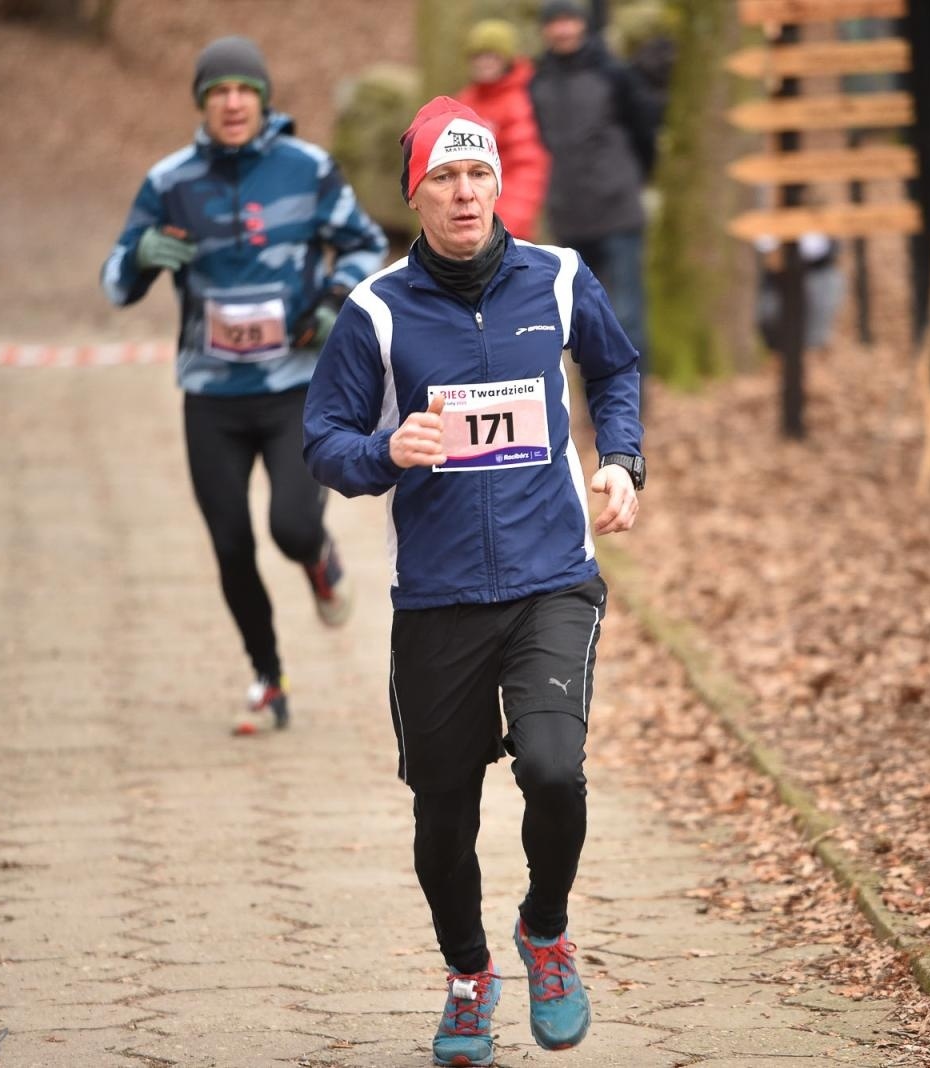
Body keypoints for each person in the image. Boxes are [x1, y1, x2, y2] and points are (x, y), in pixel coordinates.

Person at [302, 97, 645, 1068]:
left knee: (551, 768)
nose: (464, 193)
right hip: (440, 598)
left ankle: (544, 931)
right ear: (414, 193)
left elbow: (616, 371)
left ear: (499, 183)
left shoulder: (562, 279)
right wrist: (385, 448)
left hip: (550, 580)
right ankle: (466, 973)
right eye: (443, 178)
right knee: (442, 811)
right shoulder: (375, 311)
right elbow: (323, 439)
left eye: (478, 174)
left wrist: (620, 460)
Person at [101, 35, 388, 736]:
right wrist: (140, 257)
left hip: (296, 386)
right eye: (217, 92)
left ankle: (318, 557)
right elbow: (116, 281)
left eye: (243, 90)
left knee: (290, 525)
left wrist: (332, 304)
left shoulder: (308, 168)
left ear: (263, 99)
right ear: (202, 103)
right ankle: (268, 679)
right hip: (212, 393)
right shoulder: (171, 181)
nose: (232, 103)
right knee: (231, 544)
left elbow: (365, 243)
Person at [528, 0, 660, 376]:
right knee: (582, 322)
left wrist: (631, 178)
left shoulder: (613, 73)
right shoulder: (538, 82)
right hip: (568, 216)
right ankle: (595, 408)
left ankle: (632, 412)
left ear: (582, 26)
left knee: (627, 316)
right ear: (545, 30)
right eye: (555, 23)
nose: (563, 30)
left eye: (570, 21)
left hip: (618, 211)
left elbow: (643, 130)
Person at [453, 19, 550, 242]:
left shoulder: (519, 101)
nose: (484, 63)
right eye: (478, 57)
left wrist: (505, 224)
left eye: (492, 57)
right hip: (469, 216)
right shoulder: (465, 100)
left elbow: (527, 168)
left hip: (502, 224)